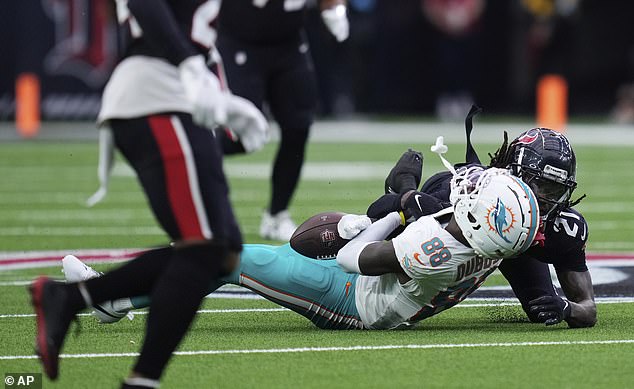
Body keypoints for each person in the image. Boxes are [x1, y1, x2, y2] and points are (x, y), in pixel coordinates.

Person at [29, 1, 267, 387]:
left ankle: (72, 300)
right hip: (155, 98)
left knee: (224, 255)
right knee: (205, 248)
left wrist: (224, 108)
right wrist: (188, 64)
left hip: (177, 101)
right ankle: (141, 379)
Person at [63, 166, 540, 330]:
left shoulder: (433, 248)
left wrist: (394, 213)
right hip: (380, 285)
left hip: (356, 298)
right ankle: (118, 299)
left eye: (478, 198)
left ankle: (112, 297)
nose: (470, 190)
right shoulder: (493, 237)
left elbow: (351, 258)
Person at [371, 125, 596, 328]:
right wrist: (407, 197)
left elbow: (588, 309)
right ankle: (403, 182)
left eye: (556, 190)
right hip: (468, 215)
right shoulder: (475, 195)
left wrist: (567, 308)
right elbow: (376, 211)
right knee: (403, 237)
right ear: (517, 174)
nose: (547, 199)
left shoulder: (565, 228)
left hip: (517, 244)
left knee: (542, 310)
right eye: (542, 186)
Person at [213, 0, 350, 241]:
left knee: (298, 127)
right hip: (240, 42)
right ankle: (191, 162)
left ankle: (277, 215)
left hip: (289, 43)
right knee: (239, 137)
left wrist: (334, 9)